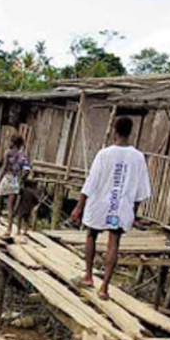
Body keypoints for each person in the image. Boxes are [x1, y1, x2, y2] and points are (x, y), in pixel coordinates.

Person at [69, 116, 151, 300]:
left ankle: (89, 276)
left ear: (114, 130)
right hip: (120, 208)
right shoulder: (138, 157)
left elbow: (91, 182)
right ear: (130, 132)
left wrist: (79, 206)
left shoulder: (104, 154)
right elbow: (141, 189)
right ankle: (104, 288)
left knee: (91, 234)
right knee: (114, 242)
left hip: (99, 204)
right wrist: (133, 212)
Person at [0, 135, 31, 239]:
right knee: (10, 207)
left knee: (0, 205)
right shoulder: (23, 155)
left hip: (6, 179)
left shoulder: (8, 153)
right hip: (15, 181)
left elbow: (3, 168)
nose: (8, 143)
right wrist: (21, 179)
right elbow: (27, 169)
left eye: (10, 141)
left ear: (13, 143)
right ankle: (9, 229)